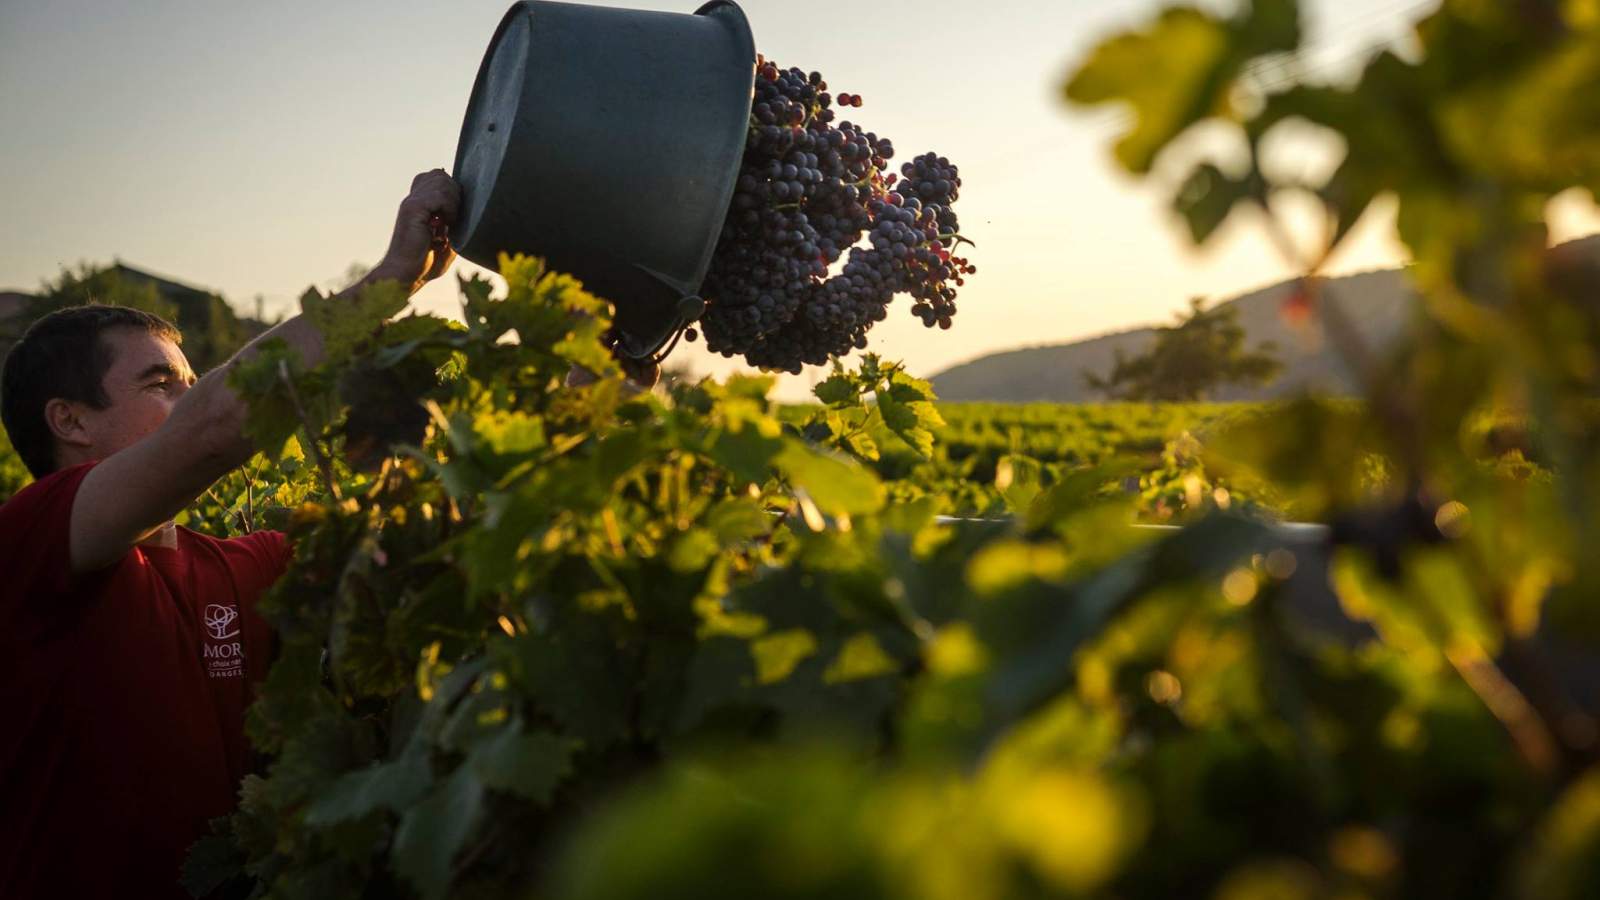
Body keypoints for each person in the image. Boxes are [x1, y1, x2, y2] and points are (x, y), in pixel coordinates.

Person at [0, 169, 463, 900]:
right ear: (71, 421)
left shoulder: (254, 565)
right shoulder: (29, 541)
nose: (190, 398)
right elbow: (214, 428)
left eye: (192, 380)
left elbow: (436, 545)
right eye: (161, 384)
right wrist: (393, 281)